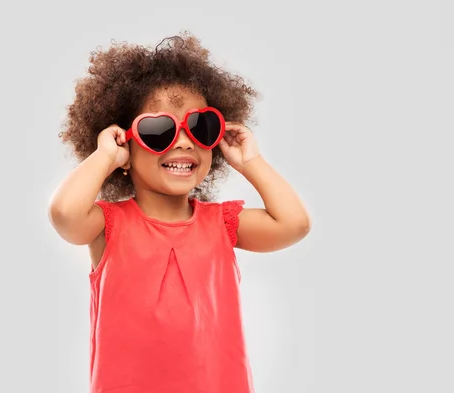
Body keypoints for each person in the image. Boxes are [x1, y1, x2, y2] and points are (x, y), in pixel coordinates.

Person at [49, 32, 312, 393]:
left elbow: (294, 224)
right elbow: (64, 214)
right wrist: (104, 157)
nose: (185, 141)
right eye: (160, 130)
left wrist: (250, 161)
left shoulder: (222, 223)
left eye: (201, 127)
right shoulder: (107, 225)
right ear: (125, 145)